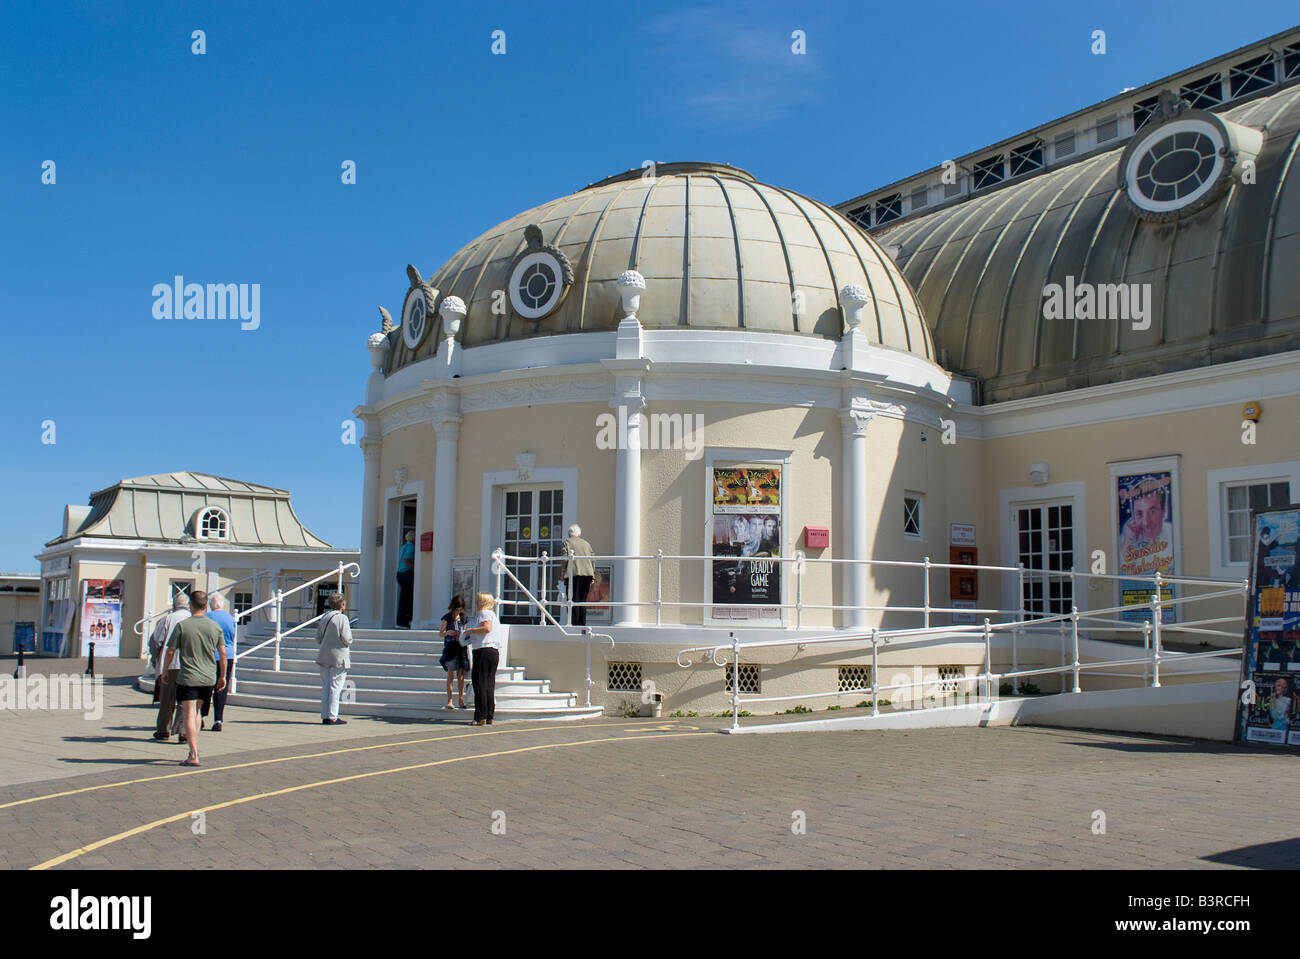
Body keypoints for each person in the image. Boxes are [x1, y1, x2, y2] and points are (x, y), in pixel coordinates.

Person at [162, 590, 226, 767]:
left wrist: (165, 670)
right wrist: (222, 675)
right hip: (208, 677)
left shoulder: (183, 626)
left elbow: (170, 651)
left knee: (189, 713)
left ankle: (193, 753)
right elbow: (222, 652)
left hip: (189, 676)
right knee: (197, 713)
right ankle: (193, 748)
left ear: (191, 604)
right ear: (206, 605)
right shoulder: (215, 627)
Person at [151, 592, 191, 738]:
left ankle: (163, 729)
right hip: (187, 664)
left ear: (174, 605)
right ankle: (182, 731)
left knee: (166, 699)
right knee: (184, 699)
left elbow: (157, 642)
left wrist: (156, 660)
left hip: (170, 664)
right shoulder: (192, 619)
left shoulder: (167, 619)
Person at [461, 592, 501, 726]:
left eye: (478, 600)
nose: (476, 603)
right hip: (493, 651)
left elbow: (486, 628)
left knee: (480, 683)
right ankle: (489, 715)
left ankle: (480, 716)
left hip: (483, 651)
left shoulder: (484, 614)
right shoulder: (493, 615)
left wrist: (471, 630)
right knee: (489, 684)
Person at [315, 591, 353, 725]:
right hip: (338, 657)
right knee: (336, 687)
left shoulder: (325, 617)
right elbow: (347, 639)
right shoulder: (343, 618)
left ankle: (325, 715)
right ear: (342, 604)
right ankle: (332, 716)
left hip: (324, 655)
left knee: (326, 686)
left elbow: (318, 638)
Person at [205, 592, 237, 732]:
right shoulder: (230, 618)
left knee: (206, 687)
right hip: (227, 655)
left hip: (210, 655)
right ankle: (218, 718)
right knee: (221, 687)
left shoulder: (207, 617)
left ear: (211, 604)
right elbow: (232, 636)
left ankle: (200, 717)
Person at [439, 595, 470, 709]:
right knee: (451, 674)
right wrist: (448, 632)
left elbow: (465, 631)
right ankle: (450, 700)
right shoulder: (447, 618)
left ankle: (461, 699)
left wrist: (463, 635)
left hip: (461, 647)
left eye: (460, 609)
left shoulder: (463, 618)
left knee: (461, 675)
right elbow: (441, 633)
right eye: (457, 609)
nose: (458, 611)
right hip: (450, 647)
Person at [563, 524, 595, 626]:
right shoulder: (586, 543)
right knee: (582, 599)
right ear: (579, 534)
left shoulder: (567, 542)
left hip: (574, 573)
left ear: (569, 534)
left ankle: (574, 623)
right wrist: (593, 575)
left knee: (572, 599)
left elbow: (565, 558)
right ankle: (582, 623)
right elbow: (592, 559)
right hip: (587, 574)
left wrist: (563, 573)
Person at [396, 531, 416, 628]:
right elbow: (405, 560)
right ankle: (404, 621)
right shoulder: (411, 547)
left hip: (400, 573)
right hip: (406, 574)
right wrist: (415, 566)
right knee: (407, 599)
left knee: (404, 598)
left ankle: (401, 621)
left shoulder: (403, 547)